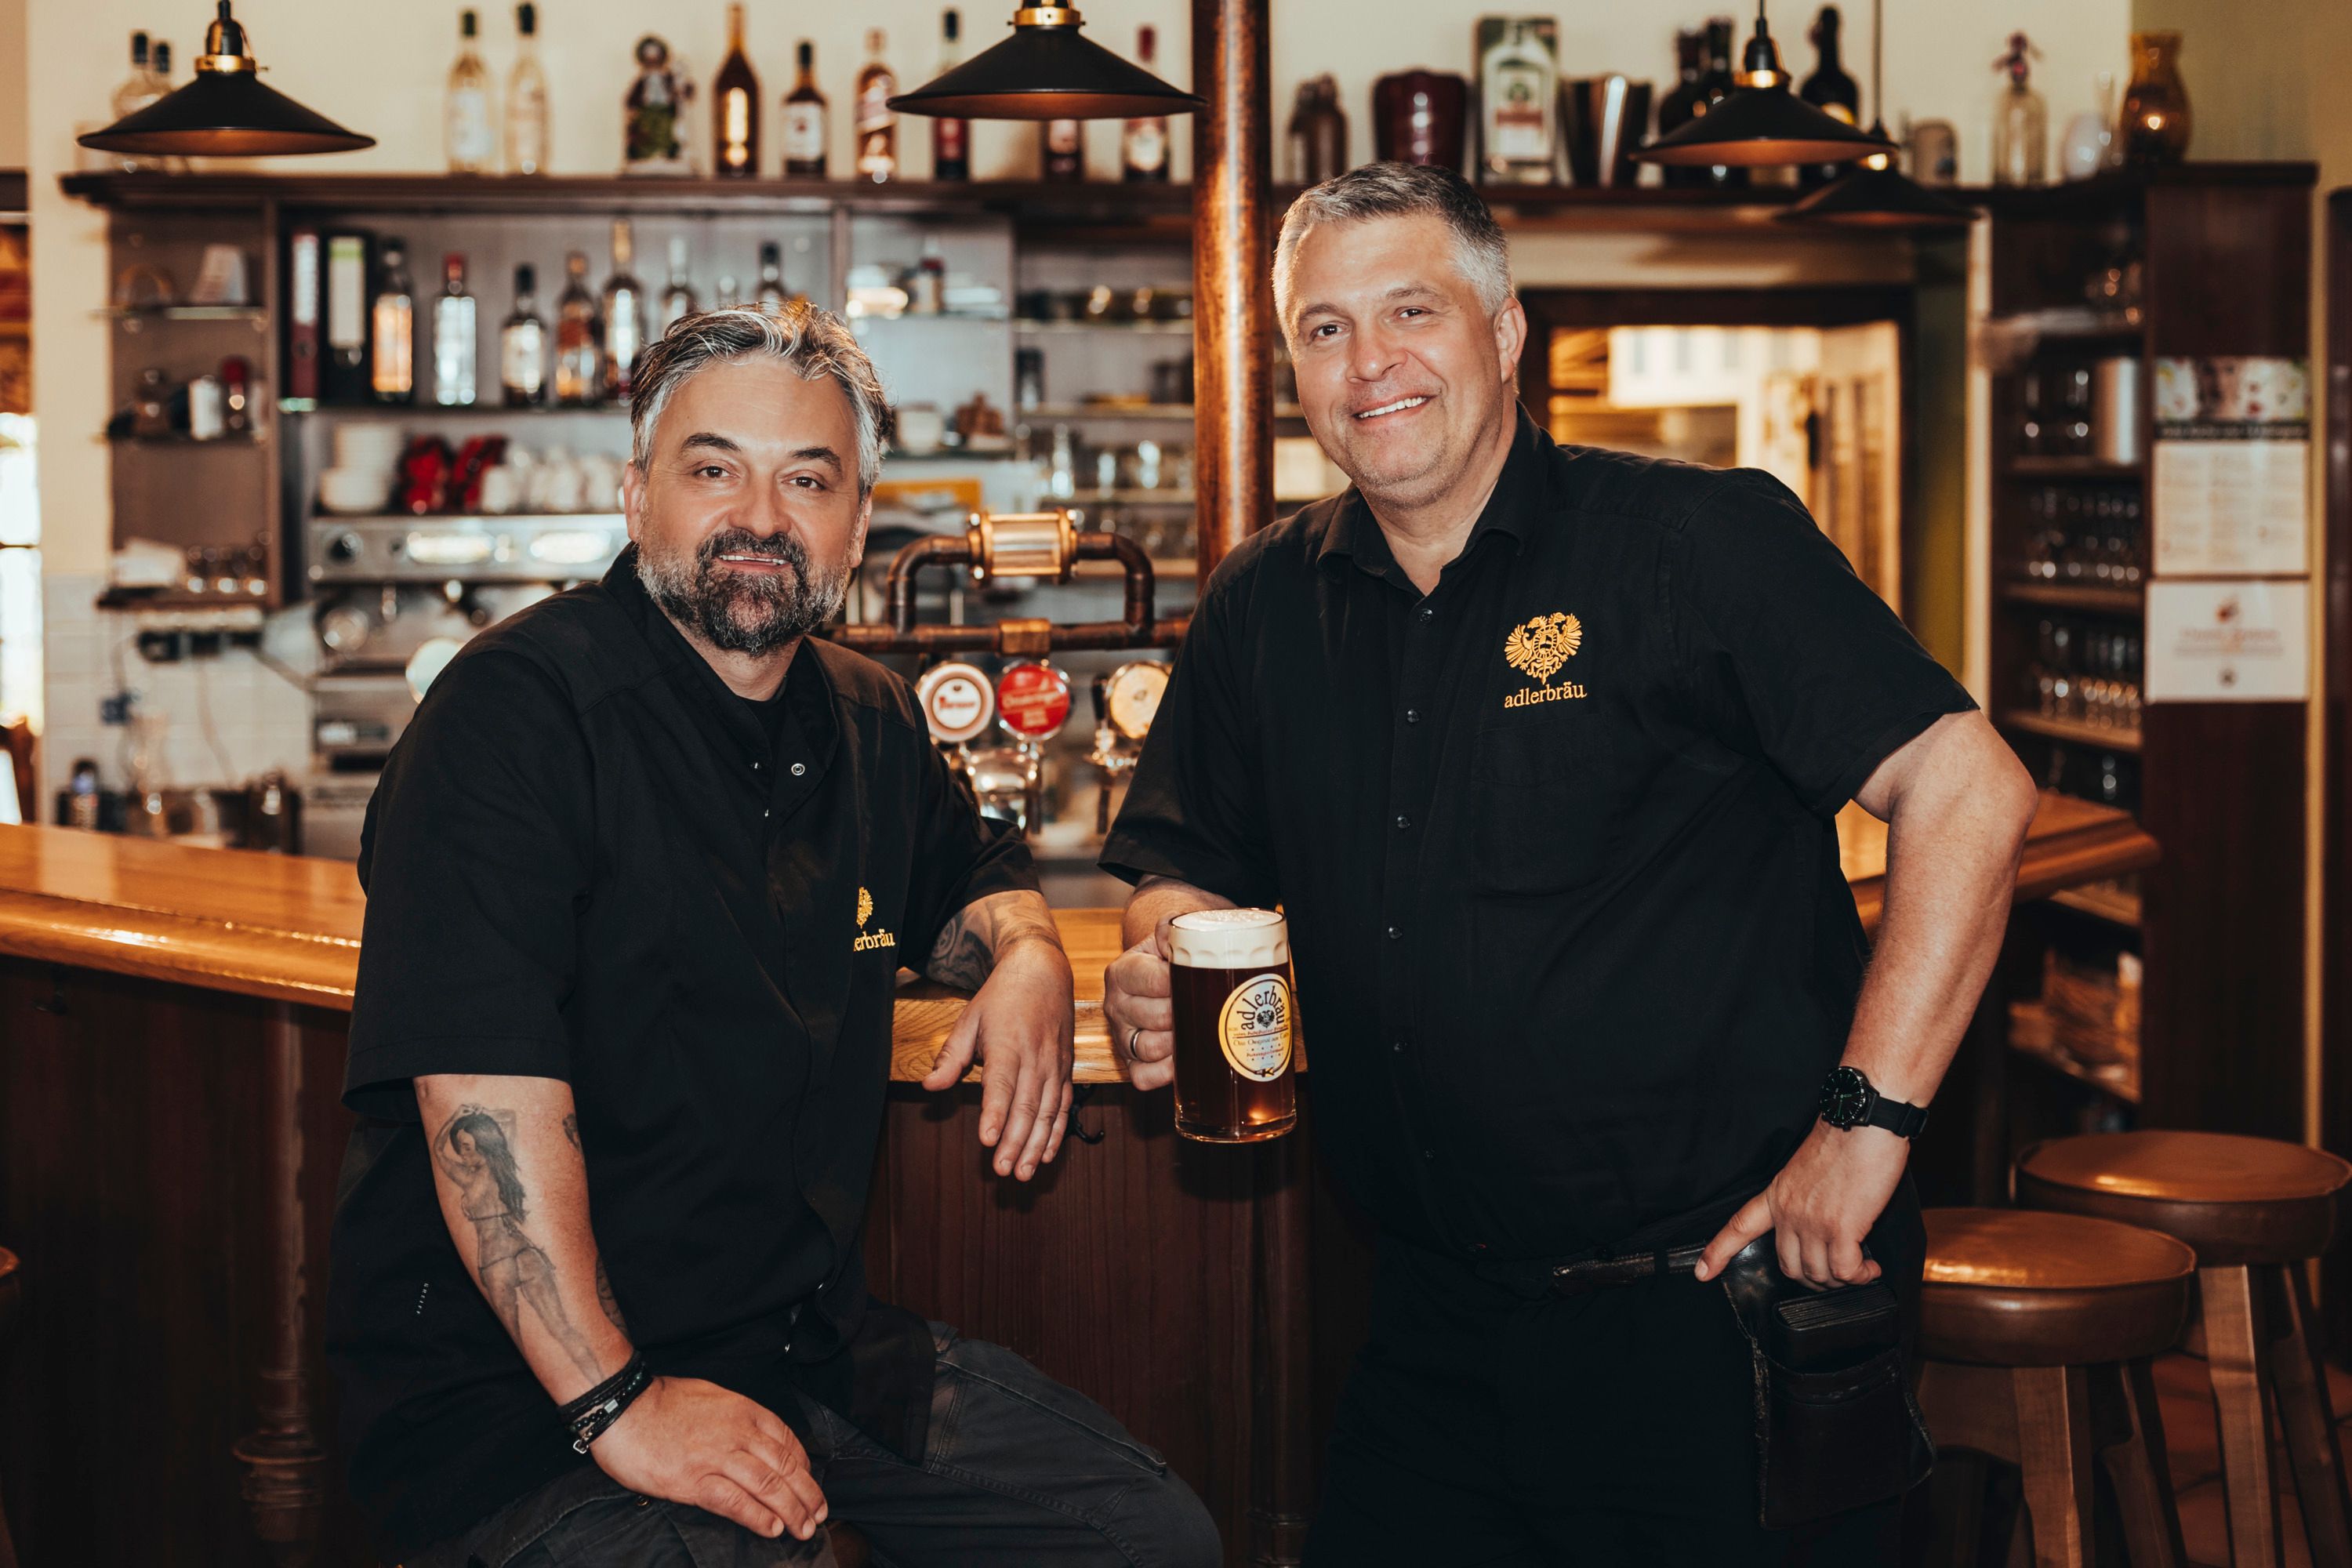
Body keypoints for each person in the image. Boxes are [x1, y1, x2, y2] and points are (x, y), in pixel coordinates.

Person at [1099, 163, 2041, 1564]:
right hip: (1425, 1319)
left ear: (1505, 330)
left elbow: (1970, 787)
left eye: (1409, 312)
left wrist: (1866, 1126)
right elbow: (1184, 863)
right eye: (1325, 328)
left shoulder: (1692, 541)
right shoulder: (1263, 606)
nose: (1371, 366)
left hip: (1710, 1317)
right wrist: (1161, 951)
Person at [327, 301, 1220, 1568]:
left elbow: (976, 881)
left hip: (791, 1344)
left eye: (809, 478)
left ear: (859, 521)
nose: (760, 515)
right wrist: (616, 1404)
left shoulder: (868, 716)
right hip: (515, 1392)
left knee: (1147, 1537)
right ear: (639, 497)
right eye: (713, 471)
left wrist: (1022, 956)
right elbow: (481, 1099)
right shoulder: (513, 714)